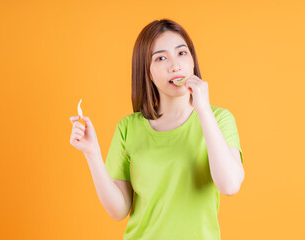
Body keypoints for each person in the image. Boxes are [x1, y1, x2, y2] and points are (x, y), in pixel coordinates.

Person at [70, 18, 245, 240]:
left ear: (192, 61)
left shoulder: (219, 119)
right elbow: (119, 210)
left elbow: (229, 185)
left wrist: (203, 110)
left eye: (182, 53)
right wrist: (92, 154)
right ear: (147, 71)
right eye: (161, 58)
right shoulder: (128, 128)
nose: (175, 65)